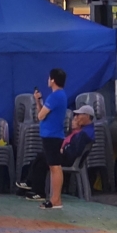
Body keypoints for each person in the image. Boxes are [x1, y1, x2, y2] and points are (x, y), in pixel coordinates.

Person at [18, 105, 96, 202]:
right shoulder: (85, 130)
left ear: (87, 116)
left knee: (43, 158)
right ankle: (30, 184)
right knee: (40, 157)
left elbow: (75, 150)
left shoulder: (85, 133)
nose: (76, 117)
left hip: (69, 159)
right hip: (67, 155)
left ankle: (37, 190)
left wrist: (63, 150)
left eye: (79, 115)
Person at [34, 68, 69, 210]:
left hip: (52, 135)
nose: (48, 80)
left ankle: (55, 199)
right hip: (52, 134)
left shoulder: (55, 96)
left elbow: (40, 116)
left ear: (53, 80)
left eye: (49, 78)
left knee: (55, 167)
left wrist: (40, 105)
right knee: (53, 167)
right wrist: (38, 101)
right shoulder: (59, 96)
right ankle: (56, 198)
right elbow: (43, 113)